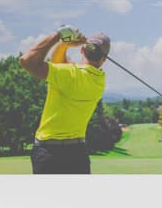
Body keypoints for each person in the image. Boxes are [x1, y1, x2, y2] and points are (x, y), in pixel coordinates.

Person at [18, 26, 111, 174]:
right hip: (78, 155)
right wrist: (63, 44)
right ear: (104, 59)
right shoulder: (99, 81)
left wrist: (59, 35)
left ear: (82, 50)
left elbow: (26, 61)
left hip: (48, 154)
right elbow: (59, 63)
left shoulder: (67, 75)